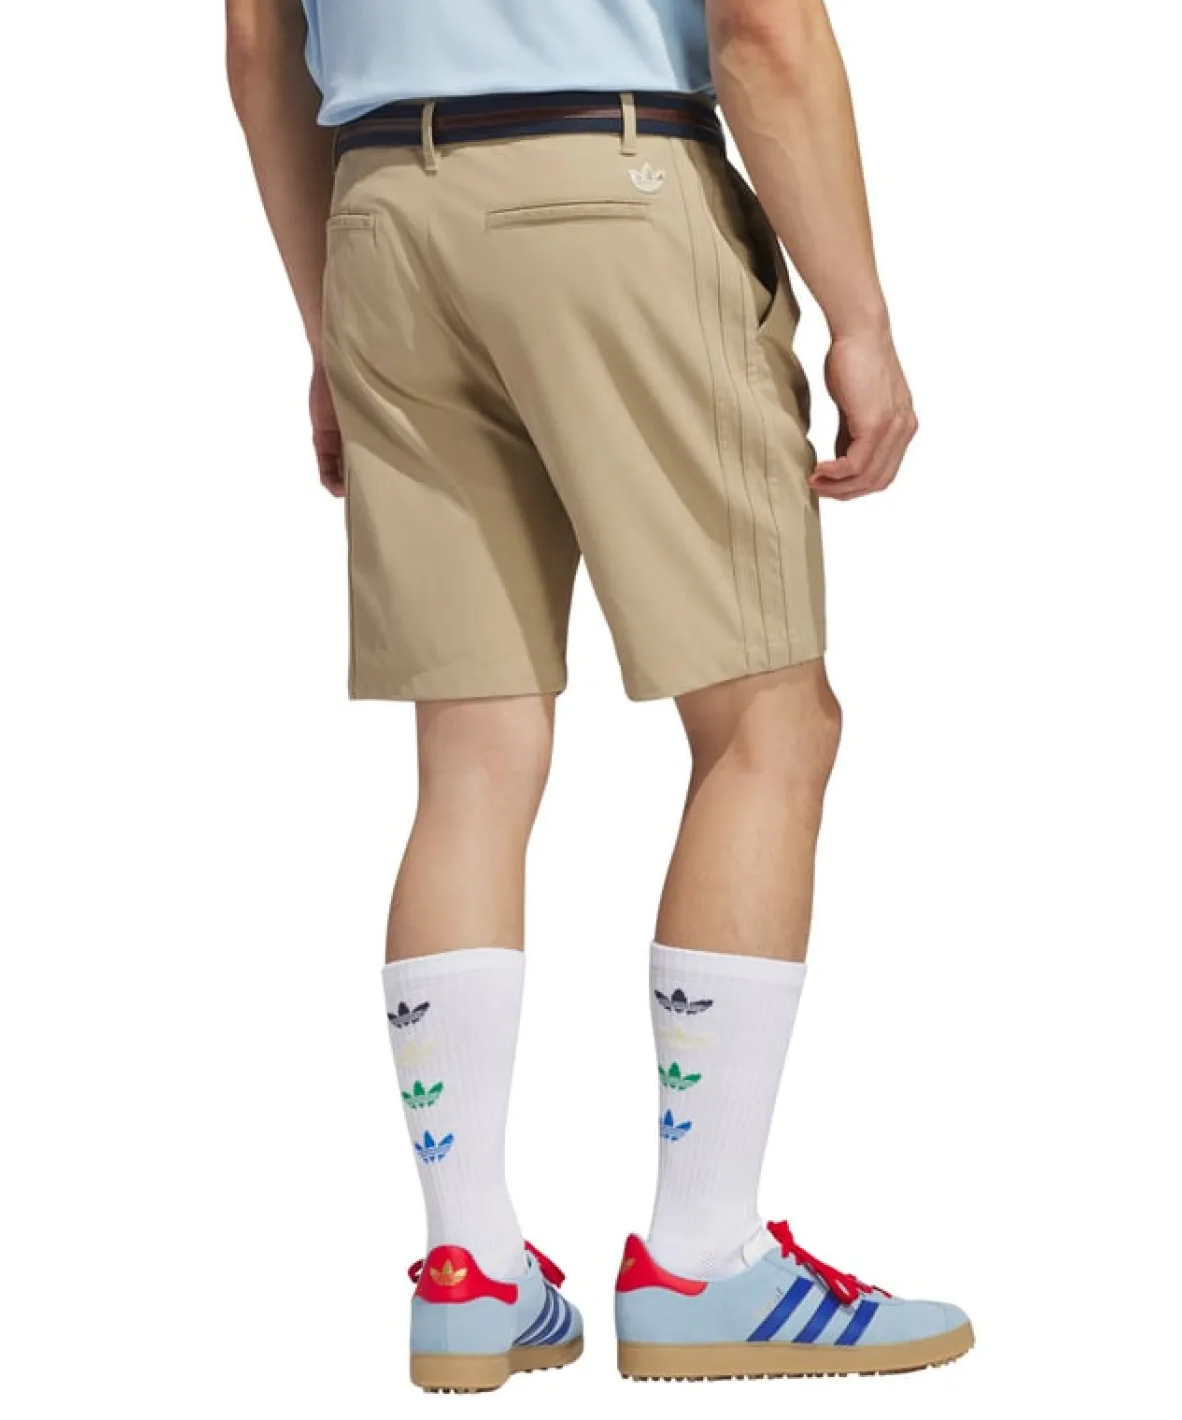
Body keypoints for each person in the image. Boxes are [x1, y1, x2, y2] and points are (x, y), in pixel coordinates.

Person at [228, 0, 971, 1393]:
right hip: (610, 196)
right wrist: (862, 319)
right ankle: (702, 1263)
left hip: (381, 223)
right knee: (767, 722)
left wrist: (330, 326)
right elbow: (761, 29)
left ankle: (469, 1273)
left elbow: (260, 43)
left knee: (472, 755)